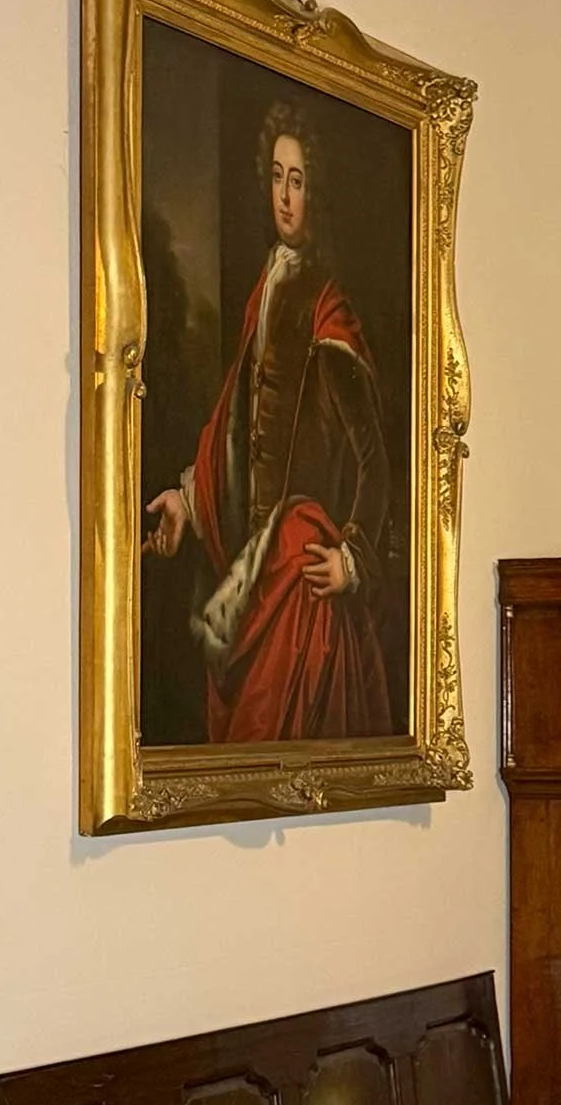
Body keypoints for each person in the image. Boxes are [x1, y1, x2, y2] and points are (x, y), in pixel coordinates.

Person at [145, 100, 395, 742]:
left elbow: (374, 460)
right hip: (252, 568)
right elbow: (234, 419)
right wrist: (187, 499)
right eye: (278, 177)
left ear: (319, 191)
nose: (285, 197)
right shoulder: (268, 284)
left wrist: (352, 558)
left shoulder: (327, 308)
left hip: (298, 571)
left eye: (299, 180)